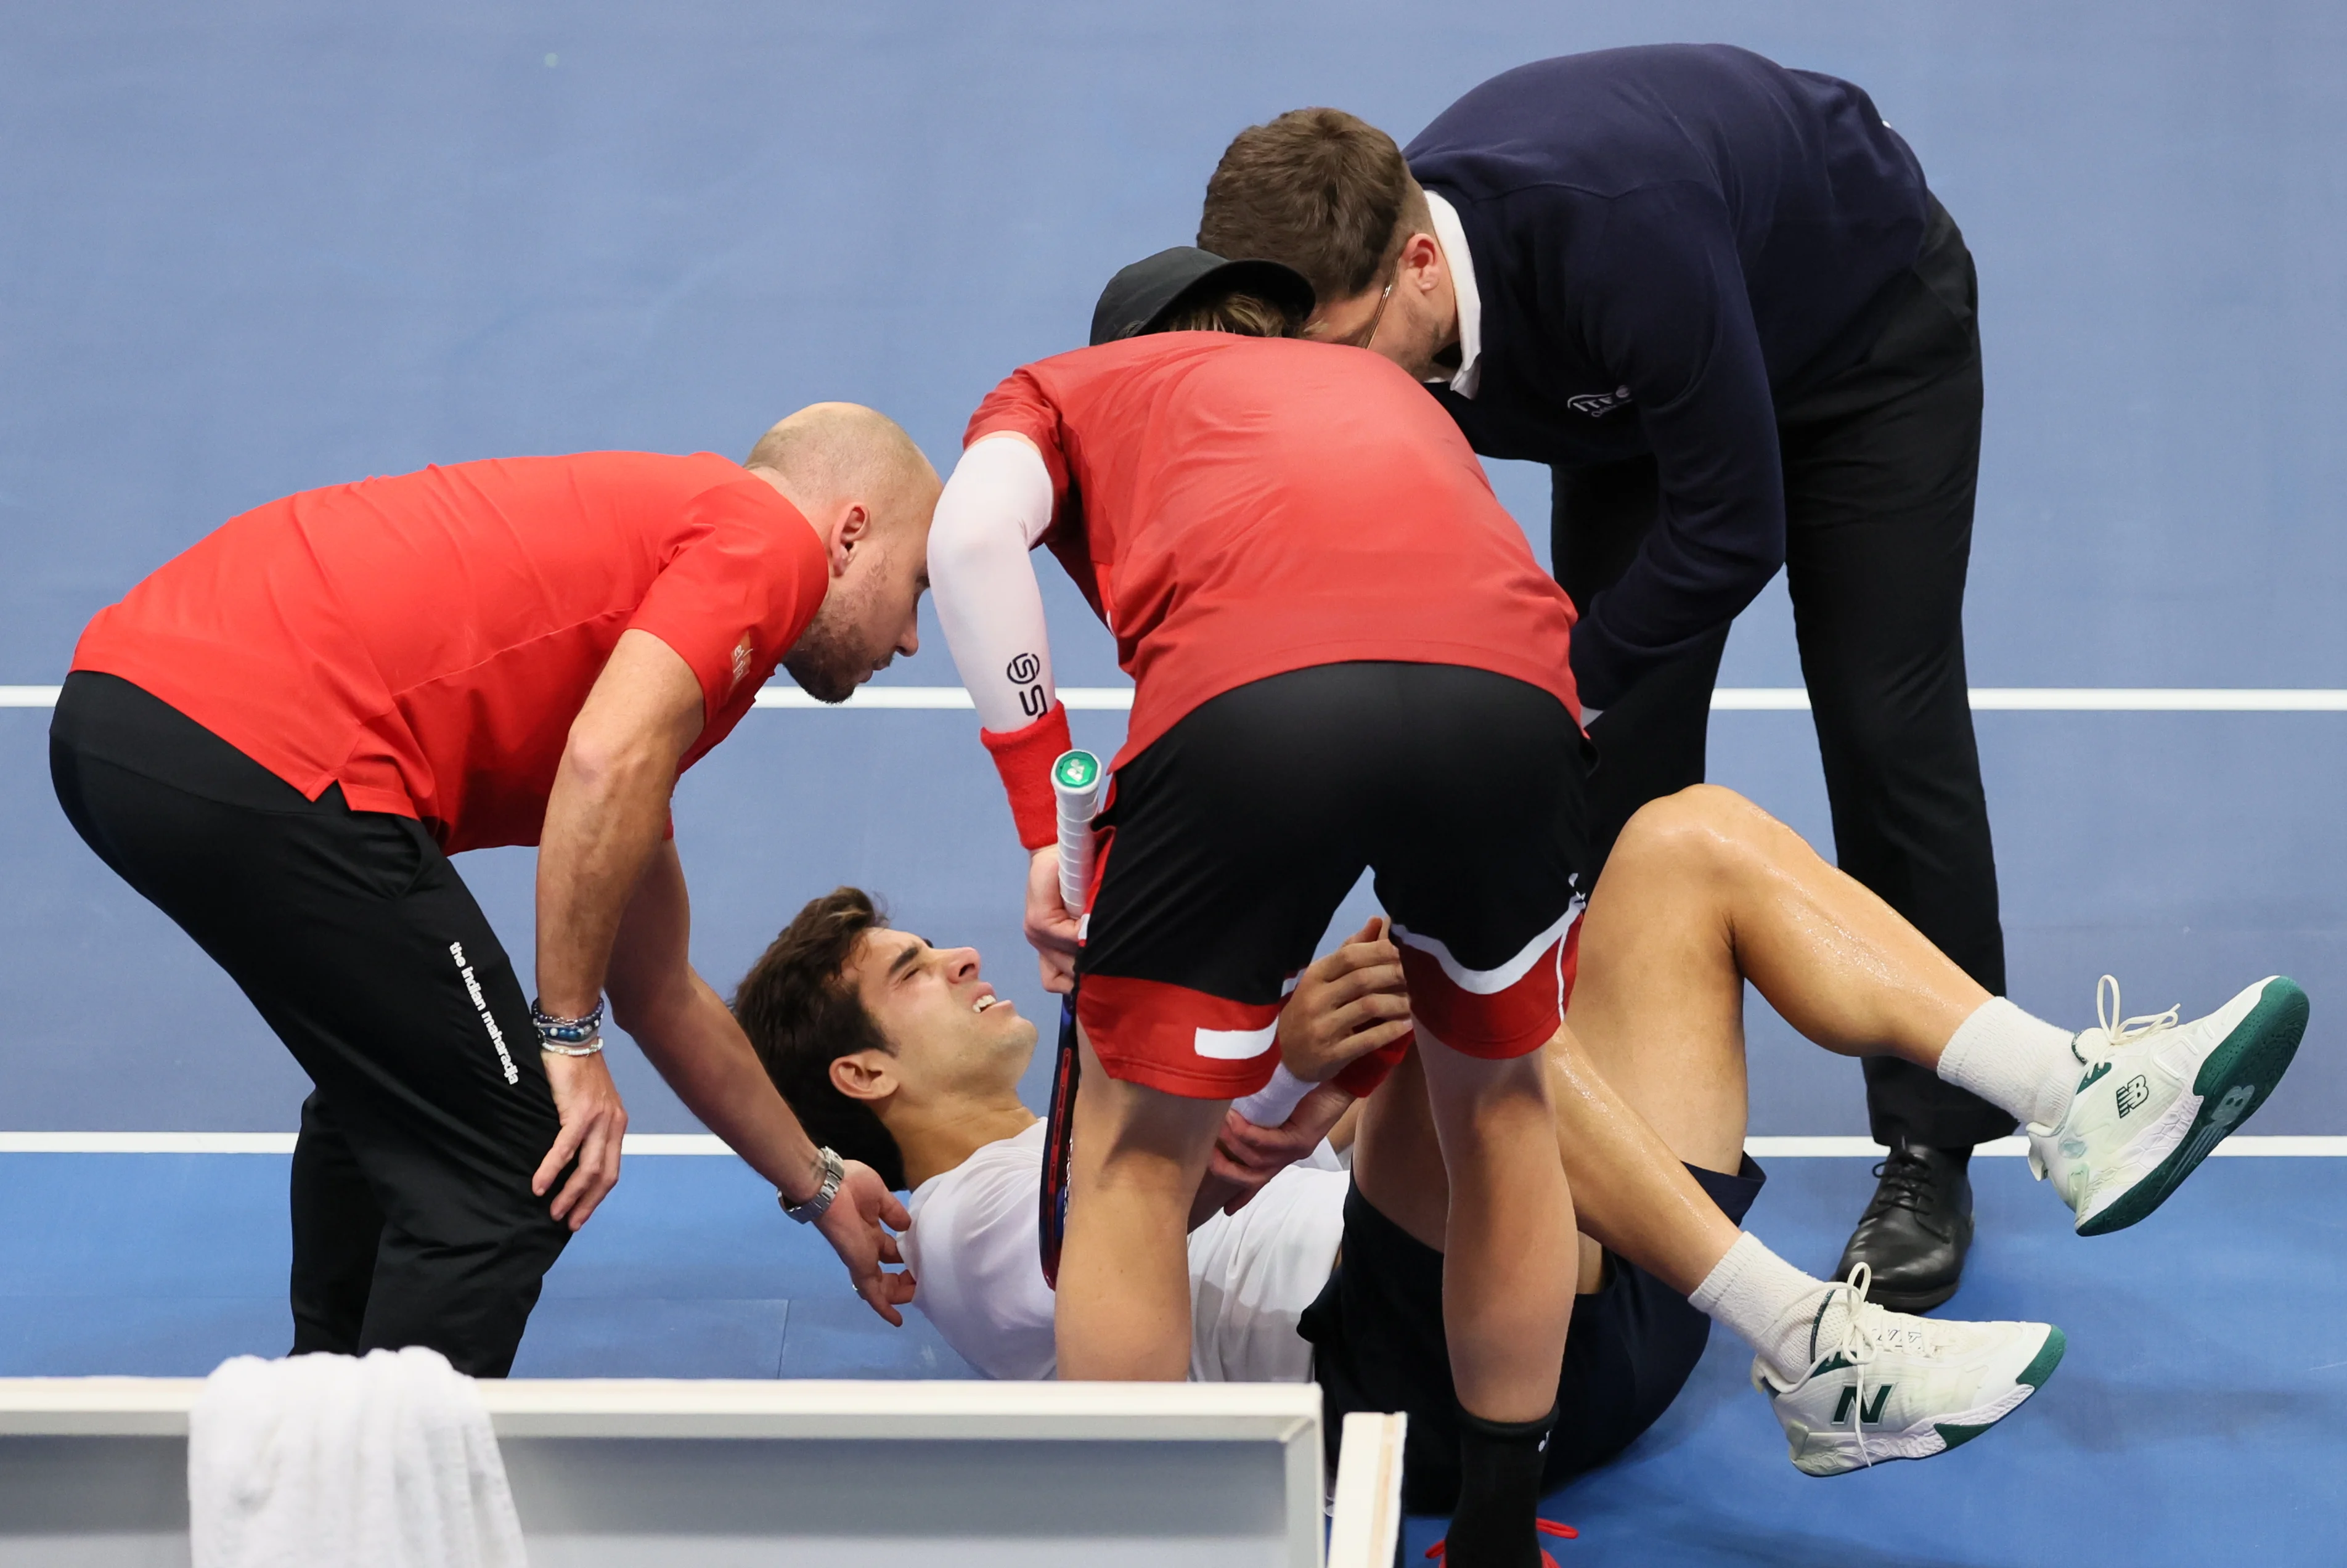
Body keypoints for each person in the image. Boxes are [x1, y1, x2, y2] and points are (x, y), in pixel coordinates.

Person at [732, 782, 2303, 1513]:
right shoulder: (957, 1236)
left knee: (1677, 842)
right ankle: (1812, 1346)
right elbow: (1125, 1214)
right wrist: (1290, 1070)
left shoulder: (1088, 1124)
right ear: (863, 1070)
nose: (952, 962)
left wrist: (1318, 1079)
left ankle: (2069, 1096)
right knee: (1455, 985)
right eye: (907, 972)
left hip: (1573, 1288)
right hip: (1423, 1393)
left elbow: (1228, 1162)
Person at [1196, 44, 2012, 1310]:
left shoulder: (1612, 237)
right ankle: (1621, 1108)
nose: (1331, 393)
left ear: (1418, 264)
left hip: (1856, 344)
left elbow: (1729, 524)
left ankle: (1933, 1147)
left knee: (1877, 717)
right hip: (1629, 383)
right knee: (1612, 764)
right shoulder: (1358, 322)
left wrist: (1552, 683)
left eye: (1348, 350)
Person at [927, 247, 1590, 1566]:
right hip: (1512, 699)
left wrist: (1040, 820)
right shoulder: (1386, 388)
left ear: (1132, 343)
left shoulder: (1063, 388)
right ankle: (1499, 1544)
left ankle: (1157, 1550)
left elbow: (963, 537)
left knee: (1127, 1162)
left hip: (1252, 707)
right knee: (1499, 1106)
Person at [50, 406, 937, 1376]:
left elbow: (659, 989)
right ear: (850, 533)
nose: (910, 640)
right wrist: (566, 1035)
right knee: (520, 1148)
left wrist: (814, 1181)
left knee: (407, 1095)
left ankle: (324, 1419)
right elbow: (602, 763)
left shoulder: (662, 604)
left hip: (134, 712)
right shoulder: (767, 542)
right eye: (918, 586)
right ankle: (385, 1504)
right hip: (268, 739)